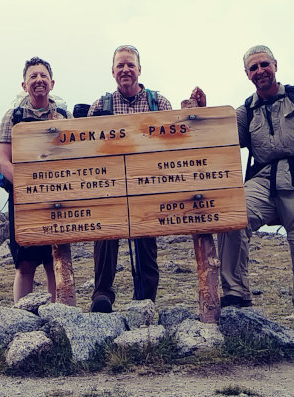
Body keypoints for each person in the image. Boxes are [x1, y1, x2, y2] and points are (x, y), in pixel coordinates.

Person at [197, 45, 294, 344]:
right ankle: (236, 292)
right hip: (263, 179)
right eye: (253, 68)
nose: (260, 71)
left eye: (264, 65)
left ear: (275, 64)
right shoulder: (246, 110)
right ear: (247, 74)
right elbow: (221, 135)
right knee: (233, 215)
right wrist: (205, 111)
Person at [88, 45, 172, 313]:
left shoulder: (160, 103)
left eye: (130, 65)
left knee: (147, 240)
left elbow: (173, 144)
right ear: (113, 71)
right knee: (105, 236)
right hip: (109, 185)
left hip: (148, 183)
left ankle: (146, 300)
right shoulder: (99, 106)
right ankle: (102, 295)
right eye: (120, 65)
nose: (125, 70)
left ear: (139, 69)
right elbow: (88, 152)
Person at [0, 57, 72, 303]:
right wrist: (29, 189)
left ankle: (58, 318)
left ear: (52, 83)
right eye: (33, 76)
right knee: (25, 264)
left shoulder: (65, 115)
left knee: (55, 261)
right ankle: (22, 320)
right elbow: (3, 161)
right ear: (24, 84)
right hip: (23, 201)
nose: (38, 80)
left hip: (58, 200)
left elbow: (75, 158)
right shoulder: (13, 117)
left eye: (43, 76)